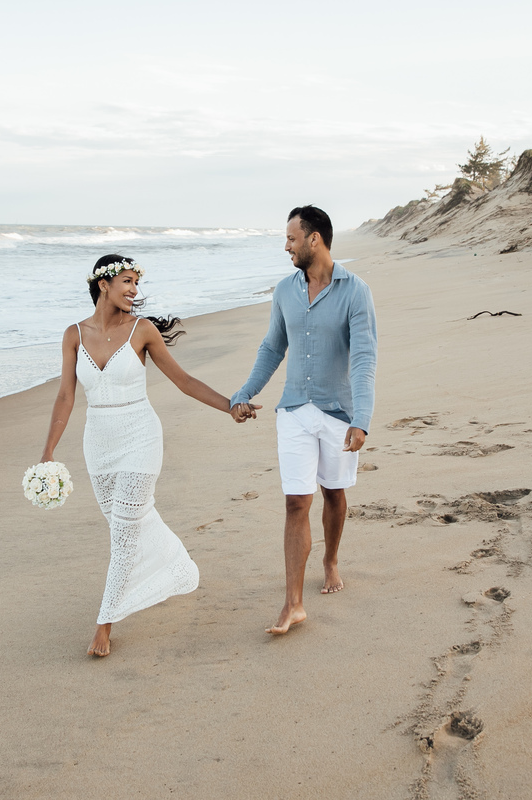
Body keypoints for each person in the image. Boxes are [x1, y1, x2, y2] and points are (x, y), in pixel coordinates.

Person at [40, 255, 235, 657]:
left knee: (124, 533)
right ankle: (178, 566)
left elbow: (183, 381)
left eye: (135, 283)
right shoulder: (74, 335)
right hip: (98, 445)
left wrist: (230, 406)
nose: (134, 290)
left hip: (140, 437)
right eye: (126, 281)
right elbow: (65, 396)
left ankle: (104, 625)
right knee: (124, 524)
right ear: (104, 285)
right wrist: (48, 451)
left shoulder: (142, 330)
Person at [230, 205, 377, 635]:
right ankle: (293, 604)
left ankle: (330, 560)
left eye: (292, 239)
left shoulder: (356, 292)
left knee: (333, 492)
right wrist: (245, 393)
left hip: (338, 413)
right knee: (296, 501)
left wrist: (361, 419)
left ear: (315, 239)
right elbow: (272, 347)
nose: (287, 247)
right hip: (293, 410)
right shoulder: (284, 290)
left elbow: (364, 359)